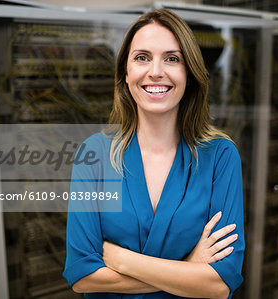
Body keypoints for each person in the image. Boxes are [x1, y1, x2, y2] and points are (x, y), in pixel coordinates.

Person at [63, 9, 245, 299]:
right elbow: (83, 276)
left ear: (190, 74)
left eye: (172, 59)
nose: (156, 71)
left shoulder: (220, 156)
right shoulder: (94, 154)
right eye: (142, 57)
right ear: (126, 72)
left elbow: (221, 284)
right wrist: (189, 267)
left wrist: (123, 261)